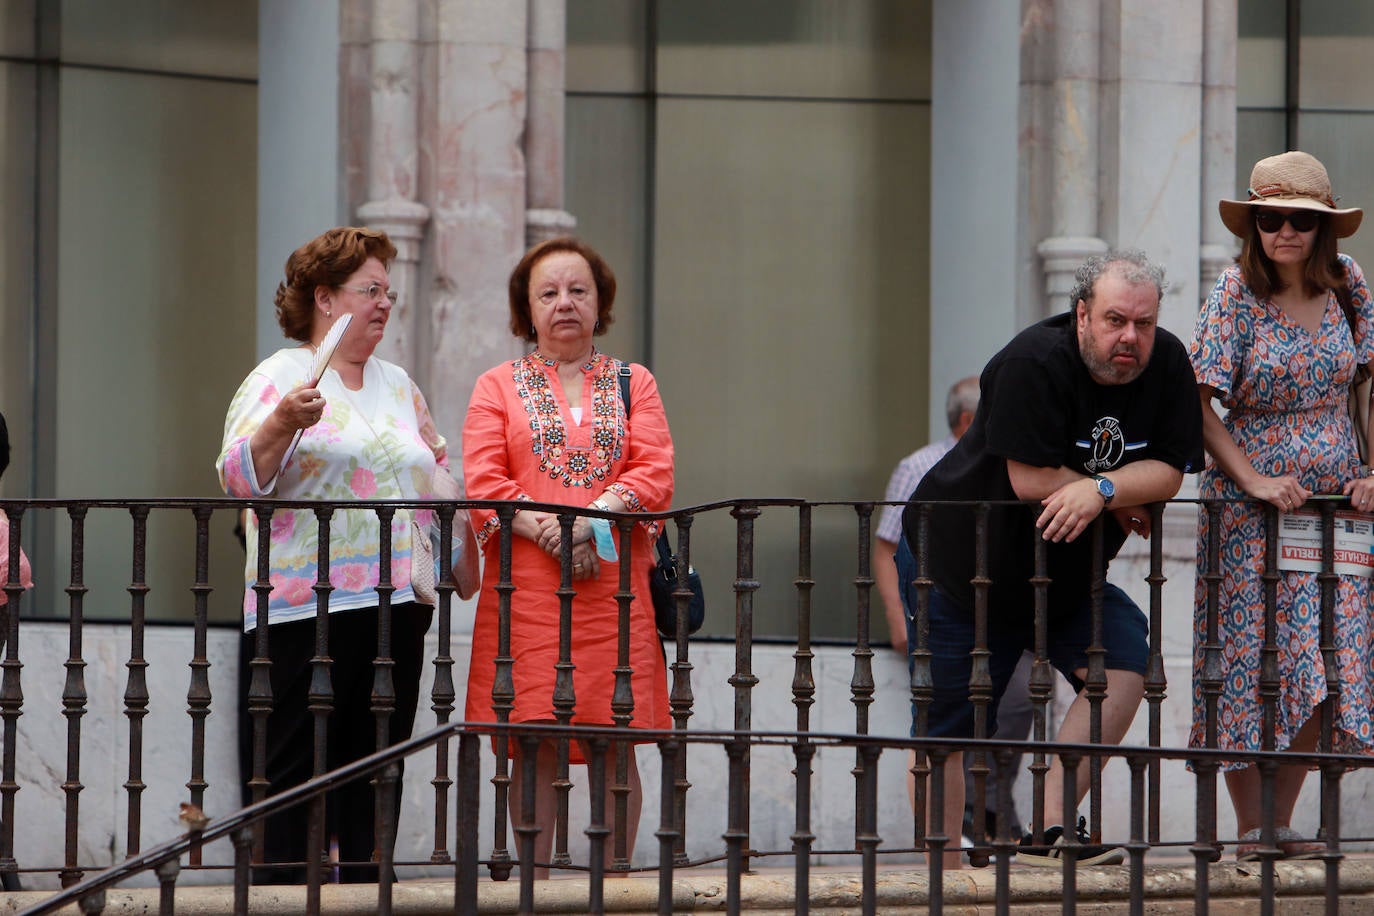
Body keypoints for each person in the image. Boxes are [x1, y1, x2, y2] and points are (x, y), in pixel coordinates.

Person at [899, 250, 1203, 868]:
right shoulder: (1031, 361)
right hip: (965, 567)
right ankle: (942, 880)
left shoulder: (1167, 360)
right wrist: (1107, 488)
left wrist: (1104, 490)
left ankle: (1049, 831)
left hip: (1064, 576)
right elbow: (1029, 476)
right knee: (947, 733)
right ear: (1082, 314)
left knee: (1124, 663)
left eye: (1143, 324)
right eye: (1116, 320)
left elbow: (1170, 470)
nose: (1131, 338)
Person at [217, 226, 457, 883]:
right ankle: (280, 898)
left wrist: (455, 540)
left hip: (396, 608)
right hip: (301, 611)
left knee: (377, 772)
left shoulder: (401, 384)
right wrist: (282, 423)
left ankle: (366, 893)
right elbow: (237, 476)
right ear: (325, 298)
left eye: (389, 292)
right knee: (289, 780)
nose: (384, 303)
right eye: (369, 290)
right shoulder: (279, 375)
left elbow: (435, 469)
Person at [462, 236, 673, 875]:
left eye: (578, 291)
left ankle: (614, 887)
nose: (564, 304)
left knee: (616, 741)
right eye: (548, 293)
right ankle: (533, 888)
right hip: (523, 594)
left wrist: (592, 524)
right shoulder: (496, 386)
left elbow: (655, 471)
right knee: (534, 741)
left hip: (616, 592)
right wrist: (554, 532)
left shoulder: (636, 382)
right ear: (527, 310)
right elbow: (483, 480)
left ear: (600, 303)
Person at [1189, 150, 1374, 861]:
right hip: (1252, 514)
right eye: (1271, 219)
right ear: (1255, 225)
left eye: (1301, 219)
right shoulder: (1235, 290)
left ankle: (1283, 822)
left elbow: (1369, 384)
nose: (1285, 232)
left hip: (1337, 511)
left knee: (1326, 663)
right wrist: (1253, 478)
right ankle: (1252, 830)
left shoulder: (1349, 284)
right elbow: (1197, 399)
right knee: (1257, 660)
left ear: (1324, 228)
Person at [876, 376, 1032, 849]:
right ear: (969, 420)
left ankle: (990, 810)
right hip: (940, 608)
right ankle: (961, 825)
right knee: (943, 718)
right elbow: (887, 546)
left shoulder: (1012, 461)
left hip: (1001, 609)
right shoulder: (920, 464)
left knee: (1017, 701)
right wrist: (898, 617)